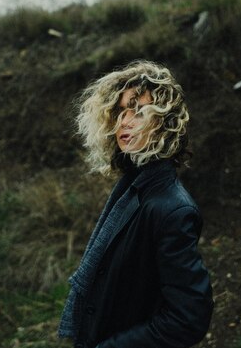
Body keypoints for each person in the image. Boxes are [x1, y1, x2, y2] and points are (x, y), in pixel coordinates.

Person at [58, 60, 214, 348]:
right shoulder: (133, 185)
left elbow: (188, 319)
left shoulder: (172, 209)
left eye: (139, 111)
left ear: (163, 123)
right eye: (120, 111)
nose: (125, 121)